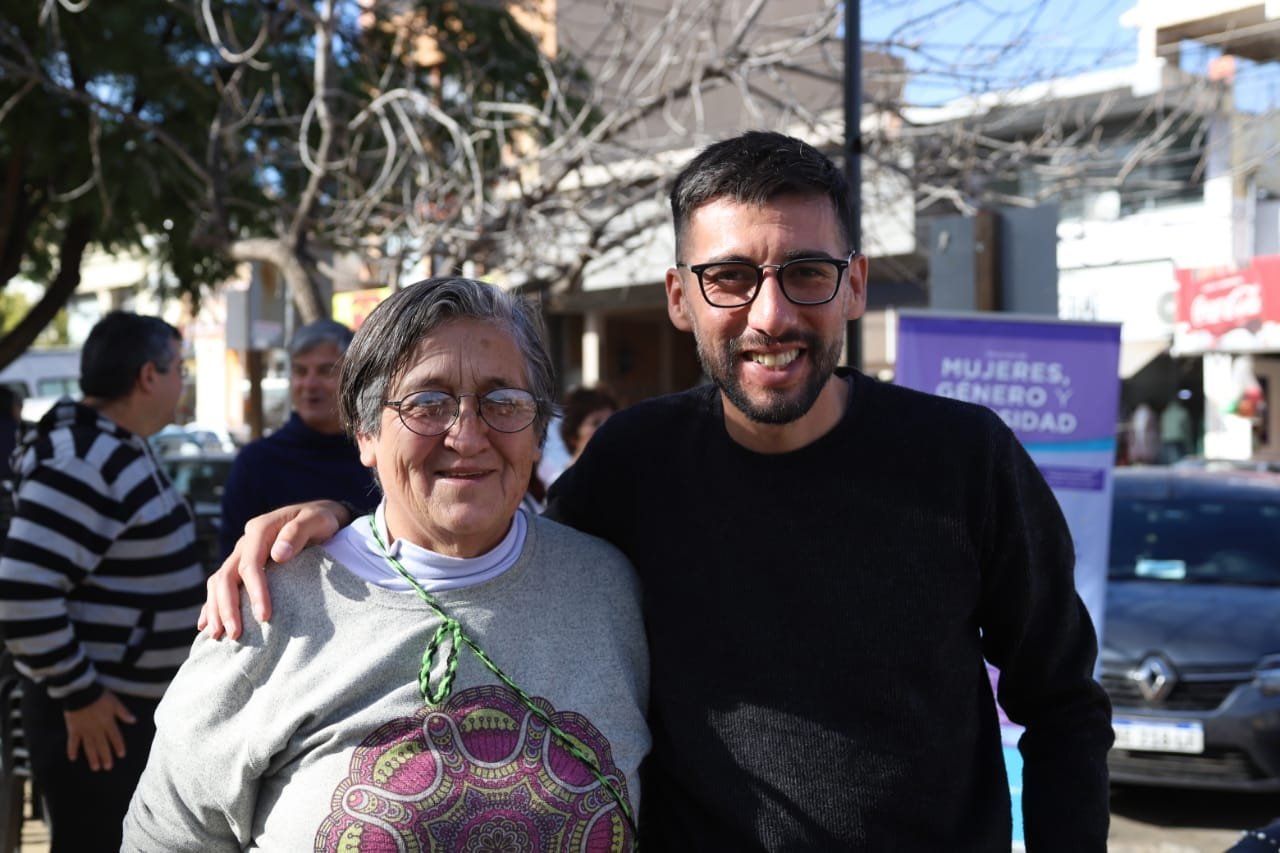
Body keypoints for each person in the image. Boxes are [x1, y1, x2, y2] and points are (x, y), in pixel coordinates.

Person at [202, 131, 1113, 850]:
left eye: (806, 272)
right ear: (680, 296)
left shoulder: (965, 460)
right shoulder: (635, 461)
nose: (771, 314)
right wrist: (344, 524)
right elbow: (496, 548)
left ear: (855, 286)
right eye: (730, 278)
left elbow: (1064, 705)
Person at [123, 278, 649, 849]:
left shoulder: (610, 590)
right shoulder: (268, 614)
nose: (468, 436)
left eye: (502, 401)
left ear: (537, 429)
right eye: (427, 403)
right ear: (365, 434)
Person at [0, 312, 206, 851]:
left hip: (118, 713)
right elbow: (22, 594)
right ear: (148, 376)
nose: (182, 383)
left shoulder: (112, 444)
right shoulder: (84, 458)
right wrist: (81, 695)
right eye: (179, 369)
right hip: (99, 722)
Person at [218, 319, 377, 557]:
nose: (310, 384)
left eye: (326, 371)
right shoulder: (257, 462)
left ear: (354, 378)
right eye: (300, 371)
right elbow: (233, 558)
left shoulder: (379, 453)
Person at [559, 386, 618, 469]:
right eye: (595, 423)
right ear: (573, 436)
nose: (608, 428)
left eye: (612, 421)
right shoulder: (562, 477)